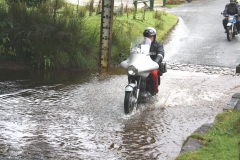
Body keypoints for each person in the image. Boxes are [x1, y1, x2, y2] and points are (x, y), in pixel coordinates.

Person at [143, 27, 164, 95]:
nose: (148, 38)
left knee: (153, 74)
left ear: (154, 37)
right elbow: (134, 52)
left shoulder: (158, 45)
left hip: (153, 66)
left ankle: (154, 92)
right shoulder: (141, 45)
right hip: (142, 65)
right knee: (132, 73)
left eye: (150, 37)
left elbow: (161, 53)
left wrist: (156, 60)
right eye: (146, 37)